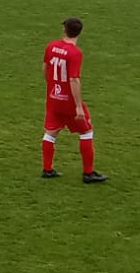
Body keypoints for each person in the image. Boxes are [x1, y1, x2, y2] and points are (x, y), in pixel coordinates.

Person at [42, 16, 106, 183]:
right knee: (86, 131)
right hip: (68, 101)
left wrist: (51, 85)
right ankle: (88, 173)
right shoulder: (75, 53)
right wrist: (78, 106)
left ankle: (47, 169)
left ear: (64, 30)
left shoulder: (51, 46)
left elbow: (45, 68)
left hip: (53, 97)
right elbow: (74, 79)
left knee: (51, 132)